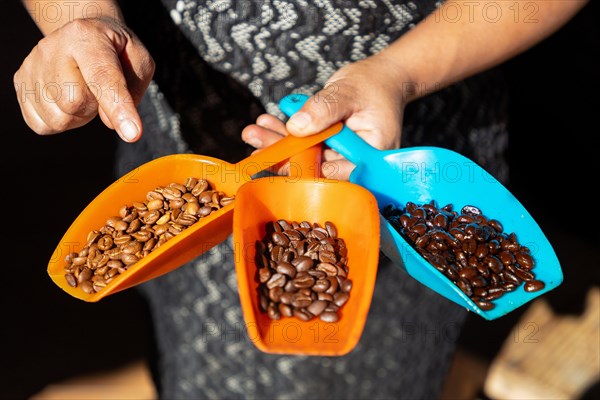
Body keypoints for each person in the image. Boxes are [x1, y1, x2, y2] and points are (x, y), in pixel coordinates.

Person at [15, 1, 588, 398]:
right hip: (184, 113)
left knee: (374, 373)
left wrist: (398, 73)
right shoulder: (185, 190)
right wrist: (78, 19)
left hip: (423, 109)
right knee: (197, 356)